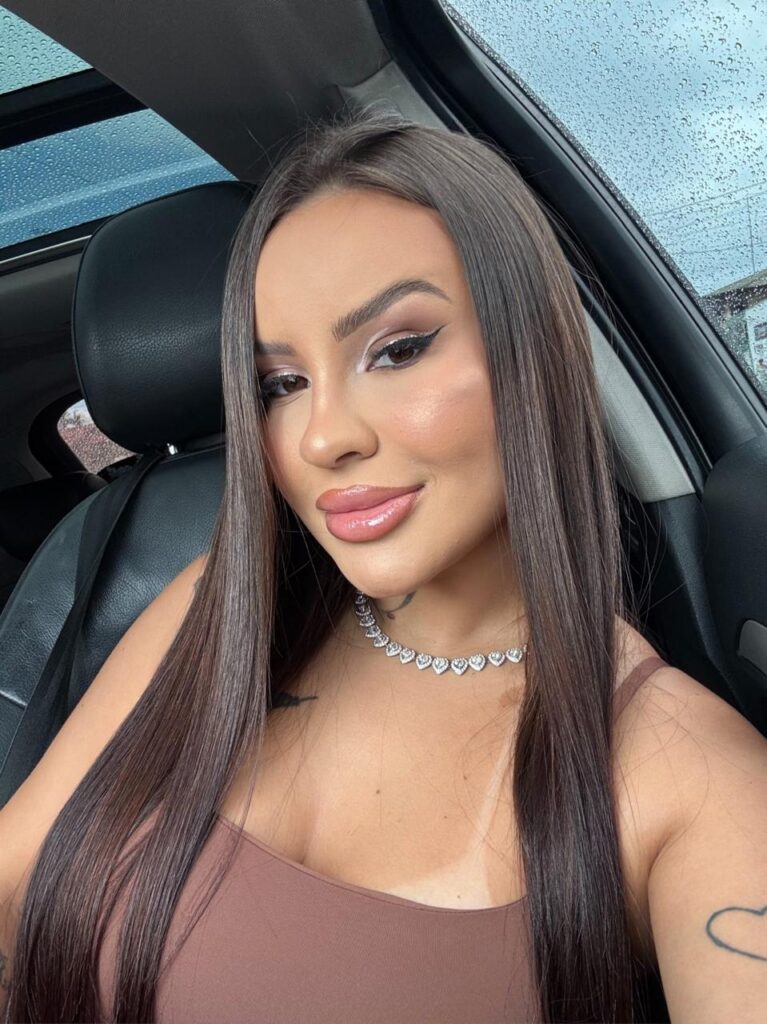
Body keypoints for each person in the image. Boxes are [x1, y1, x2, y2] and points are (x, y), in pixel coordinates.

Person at [2, 105, 765, 1024]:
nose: (321, 437)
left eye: (397, 350)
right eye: (280, 384)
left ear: (533, 348)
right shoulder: (217, 609)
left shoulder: (684, 775)